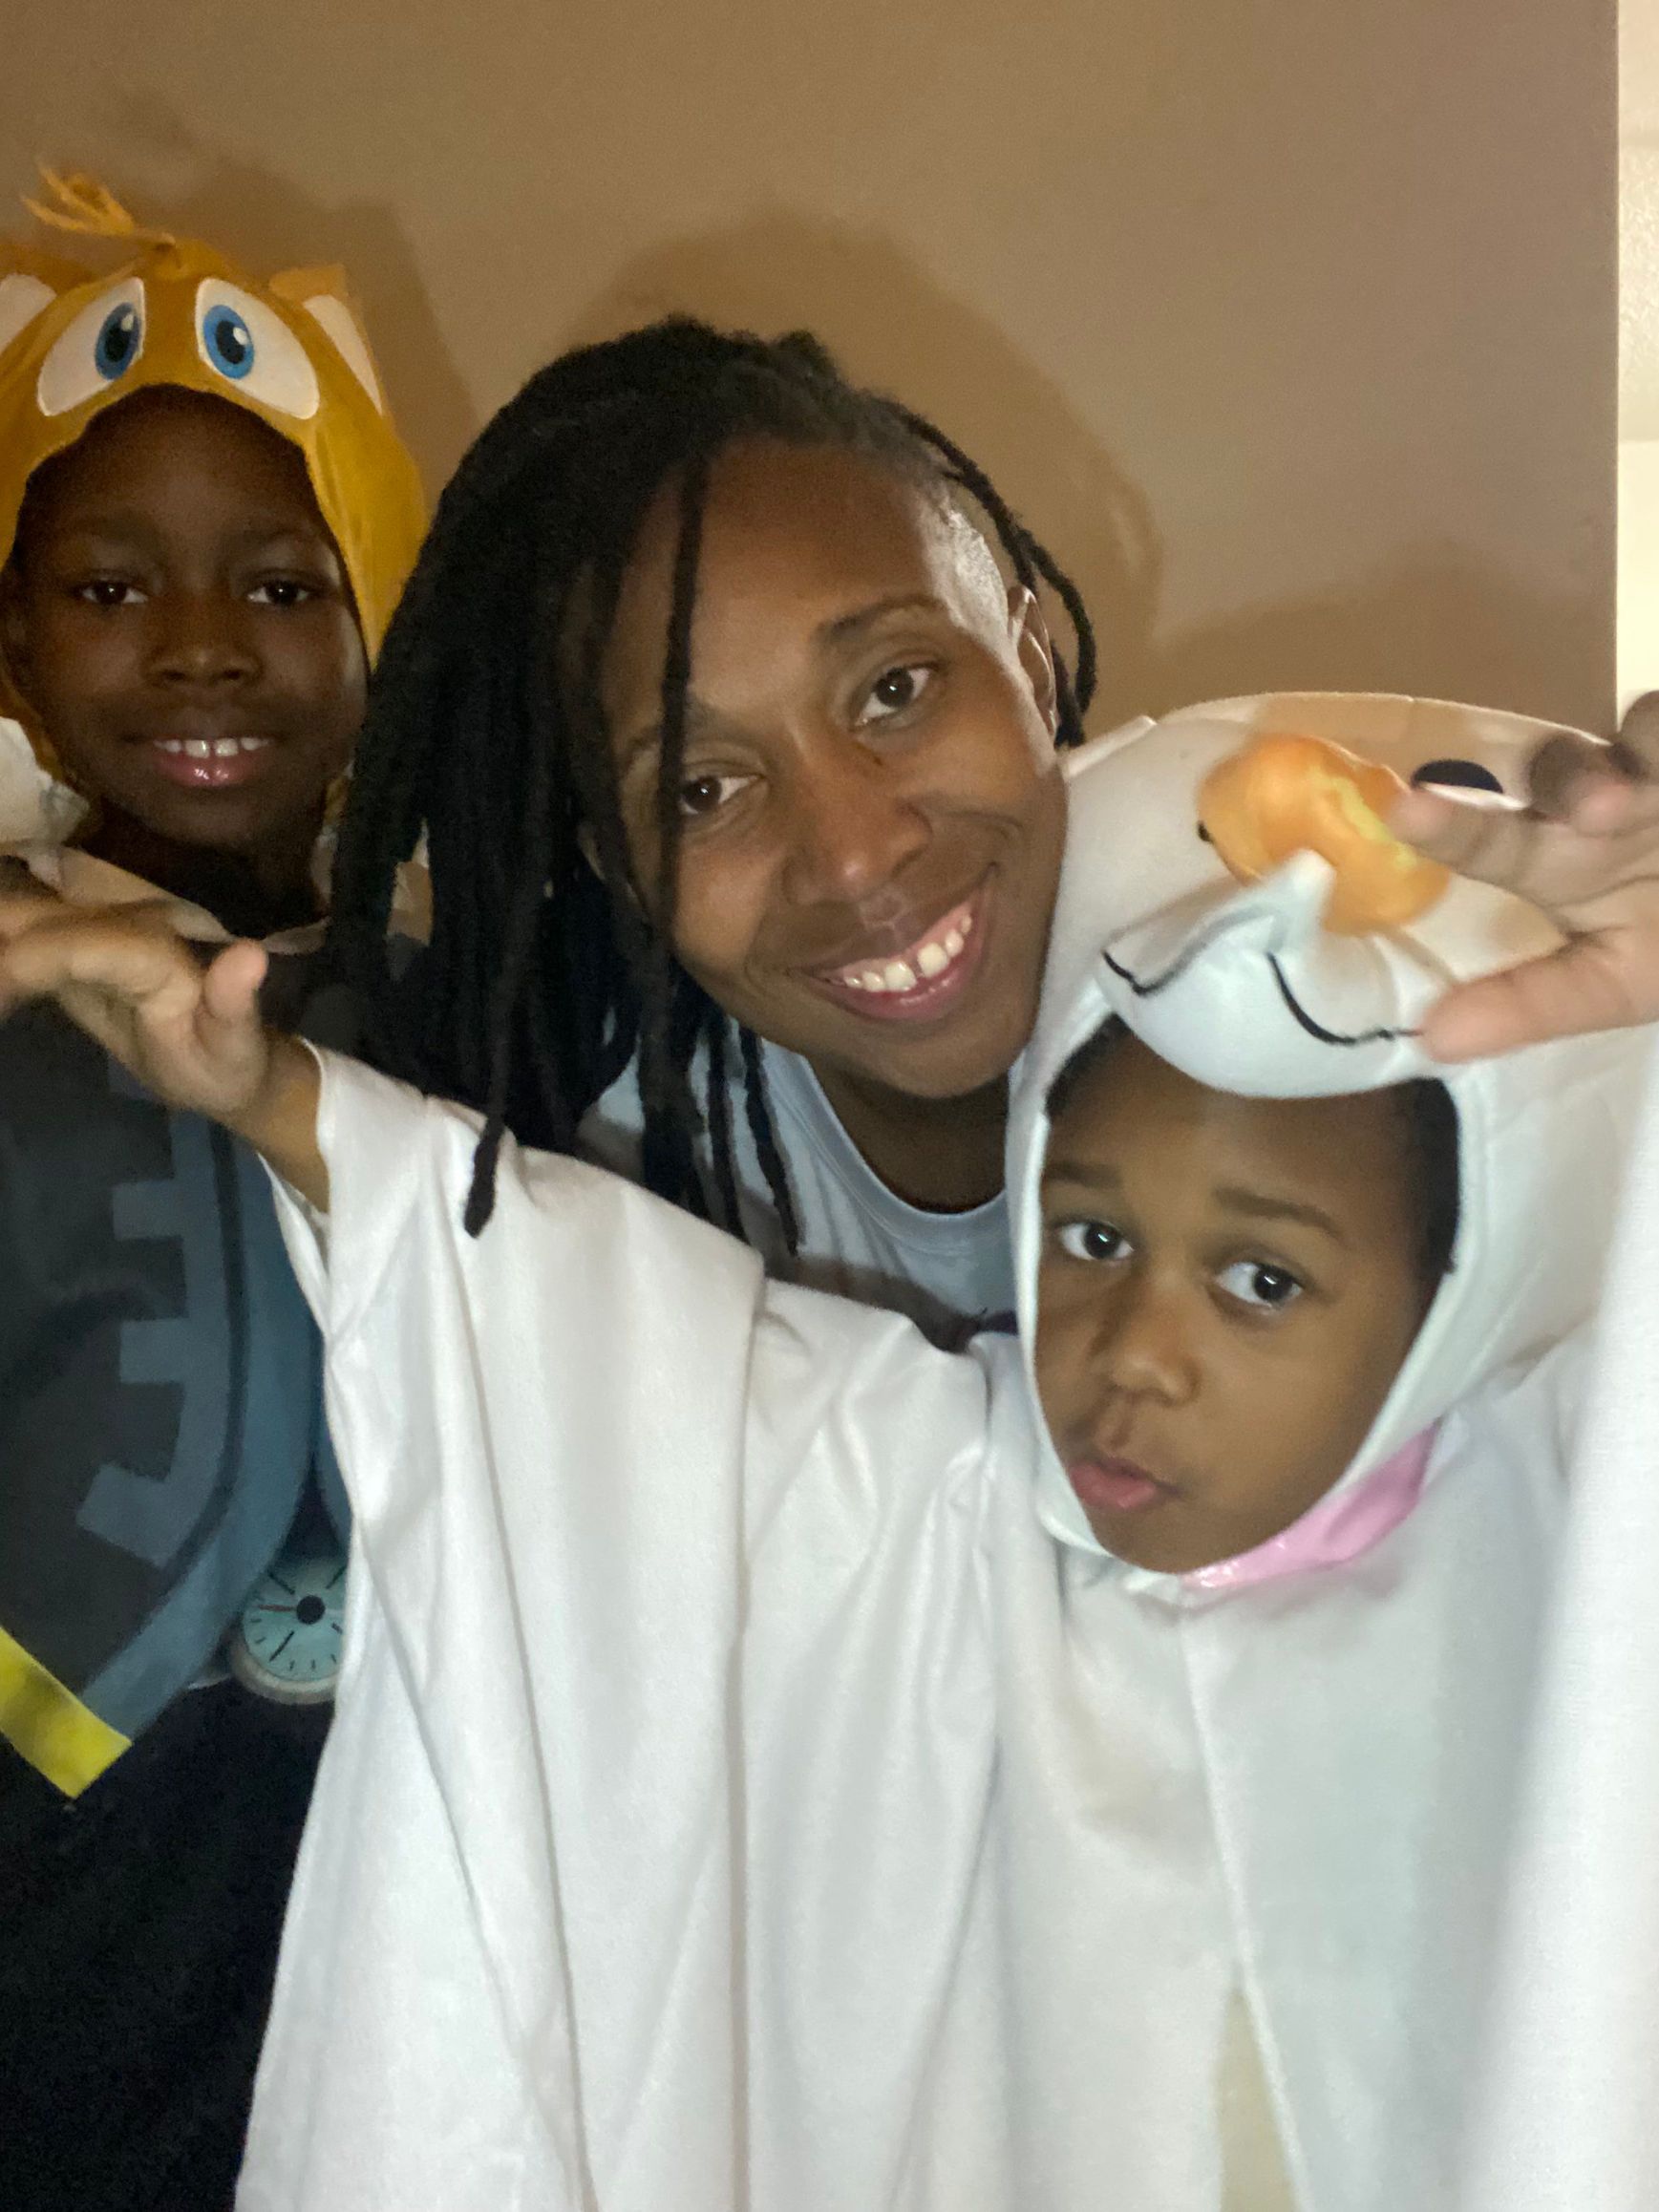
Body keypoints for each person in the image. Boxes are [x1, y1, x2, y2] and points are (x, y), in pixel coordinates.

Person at [3, 692, 1648, 2212]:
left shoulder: (1573, 1555)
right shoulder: (946, 1508)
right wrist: (272, 1093)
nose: (1134, 1352)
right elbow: (572, 1334)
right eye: (1083, 1238)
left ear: (1462, 1287)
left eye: (1263, 1279)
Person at [0, 170, 426, 2211]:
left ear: (375, 633)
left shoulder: (457, 1003)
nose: (197, 649)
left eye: (278, 583)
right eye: (107, 588)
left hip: (368, 1897)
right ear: (9, 645)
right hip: (59, 1910)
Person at [328, 316, 1099, 1339]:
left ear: (1031, 666)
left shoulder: (1290, 981)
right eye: (701, 791)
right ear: (625, 873)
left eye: (895, 689)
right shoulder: (589, 1165)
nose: (854, 854)